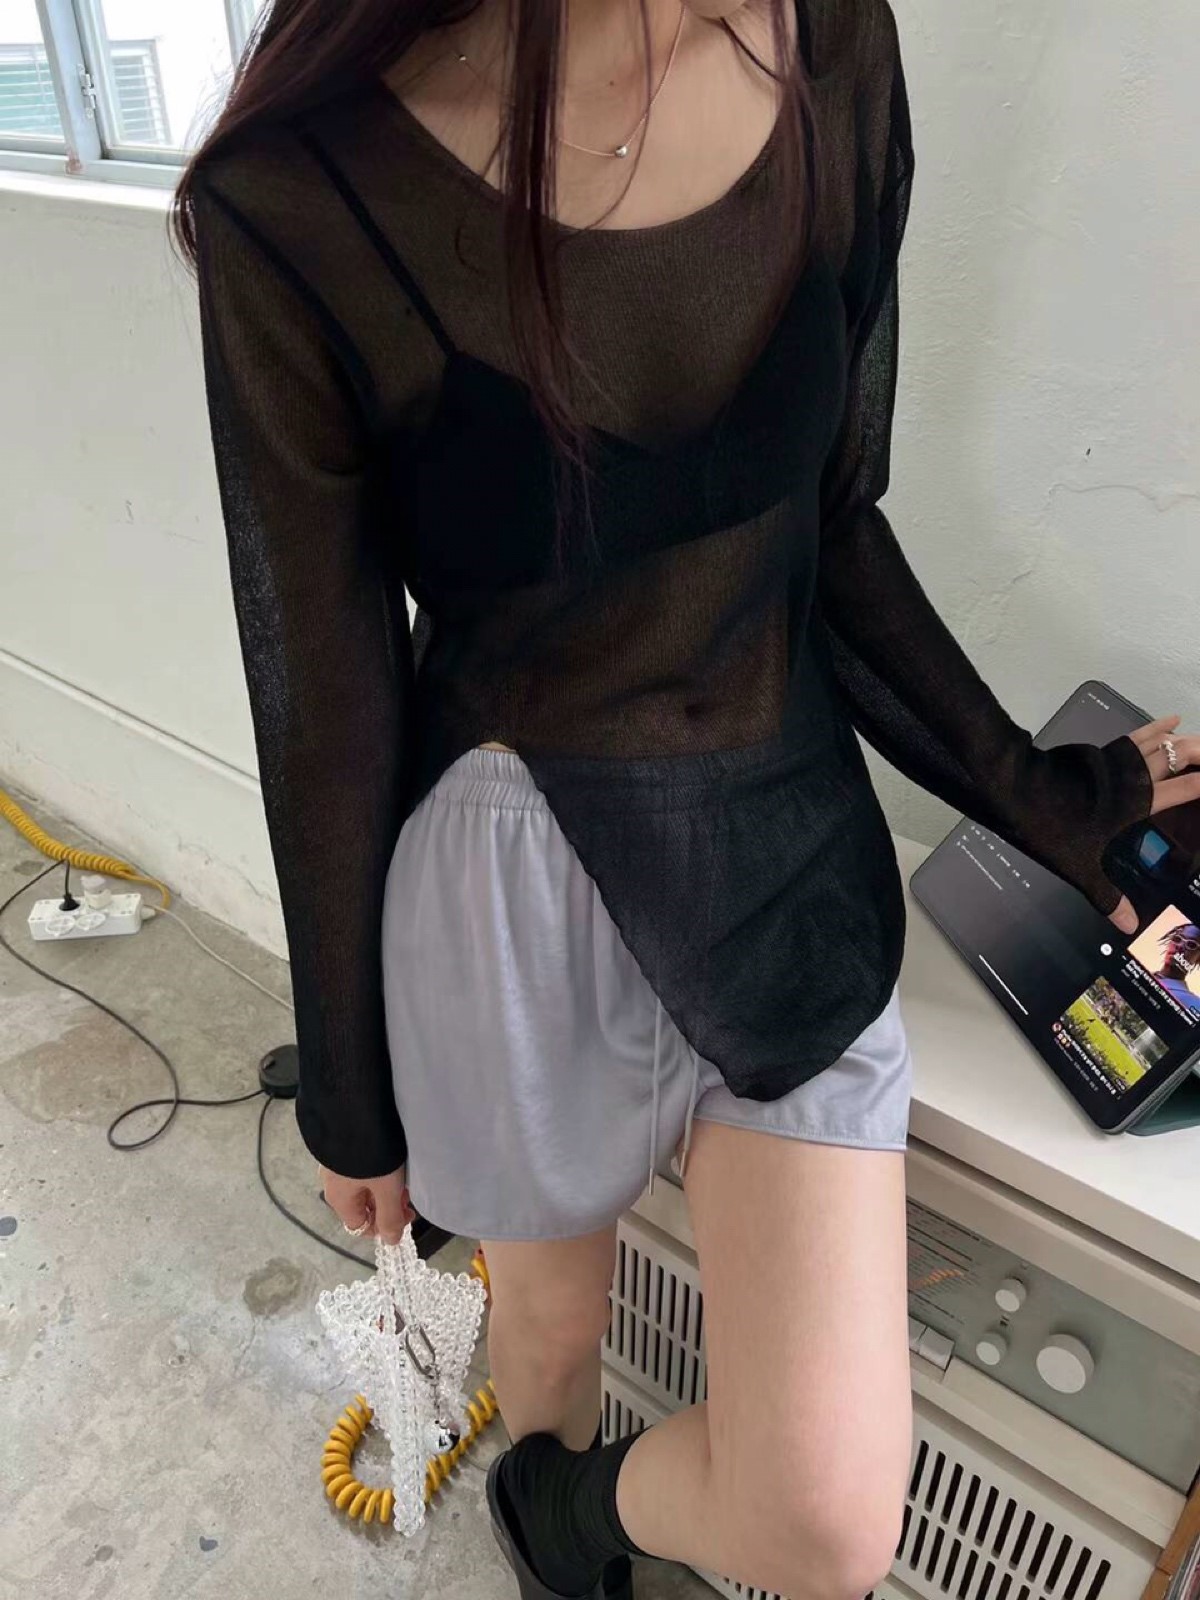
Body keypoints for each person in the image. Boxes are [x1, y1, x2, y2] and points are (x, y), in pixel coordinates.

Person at [175, 0, 1200, 1594]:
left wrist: (1044, 799)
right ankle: (558, 1531)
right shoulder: (300, 188)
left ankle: (569, 1518)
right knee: (550, 1345)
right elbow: (327, 700)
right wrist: (349, 1088)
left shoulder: (832, 45)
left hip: (789, 862)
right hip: (509, 883)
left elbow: (830, 522)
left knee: (824, 1517)